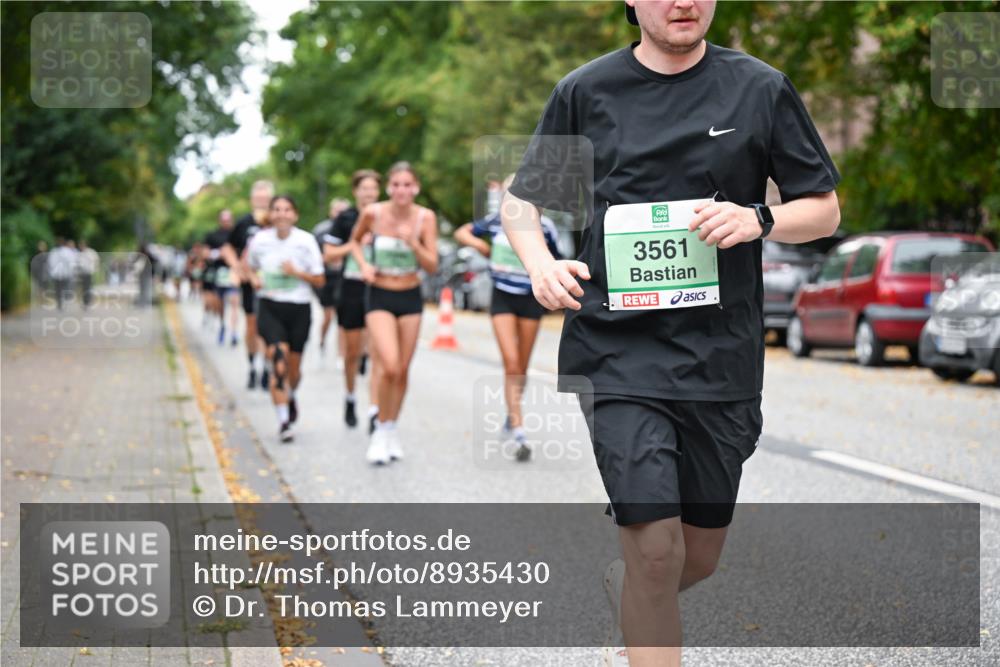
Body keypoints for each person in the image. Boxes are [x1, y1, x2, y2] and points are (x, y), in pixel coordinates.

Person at [501, 2, 841, 665]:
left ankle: (634, 589)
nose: (683, 2)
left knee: (697, 556)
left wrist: (760, 219)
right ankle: (645, 583)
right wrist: (541, 265)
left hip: (722, 358)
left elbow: (823, 208)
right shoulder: (586, 90)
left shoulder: (759, 87)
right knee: (657, 551)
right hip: (617, 351)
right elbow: (522, 202)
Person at [454, 174, 562, 462]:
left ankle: (511, 412)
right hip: (501, 296)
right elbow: (462, 232)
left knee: (522, 367)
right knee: (511, 362)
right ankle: (519, 429)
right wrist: (481, 246)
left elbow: (556, 260)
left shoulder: (546, 227)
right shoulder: (497, 220)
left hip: (530, 300)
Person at [349, 162, 438, 464]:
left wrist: (413, 242)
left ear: (415, 188)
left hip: (410, 296)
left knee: (401, 370)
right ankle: (378, 432)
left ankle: (389, 429)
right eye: (396, 184)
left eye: (407, 184)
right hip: (380, 295)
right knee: (387, 365)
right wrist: (364, 265)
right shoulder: (373, 213)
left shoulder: (425, 218)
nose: (401, 190)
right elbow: (354, 242)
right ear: (389, 188)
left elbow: (432, 265)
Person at [246, 195, 325, 443]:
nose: (281, 214)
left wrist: (297, 273)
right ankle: (283, 421)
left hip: (299, 308)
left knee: (293, 369)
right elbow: (247, 266)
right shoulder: (260, 240)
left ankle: (291, 395)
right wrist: (254, 278)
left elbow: (320, 280)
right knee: (278, 361)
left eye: (287, 210)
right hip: (270, 306)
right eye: (276, 209)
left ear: (295, 215)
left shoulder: (306, 241)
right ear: (270, 214)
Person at [323, 170, 382, 429]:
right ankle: (349, 397)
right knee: (351, 354)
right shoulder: (345, 218)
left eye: (373, 189)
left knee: (379, 352)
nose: (368, 193)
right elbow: (329, 255)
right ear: (355, 192)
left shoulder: (386, 216)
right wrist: (355, 244)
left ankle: (374, 409)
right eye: (364, 188)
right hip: (351, 287)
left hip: (380, 286)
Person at [223, 180, 275, 389]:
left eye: (266, 197)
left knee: (268, 327)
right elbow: (228, 248)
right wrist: (237, 267)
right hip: (250, 283)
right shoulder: (244, 223)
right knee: (253, 326)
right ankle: (253, 365)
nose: (262, 201)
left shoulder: (276, 220)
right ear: (252, 199)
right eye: (258, 197)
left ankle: (266, 367)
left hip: (272, 283)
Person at [312, 197, 351, 356]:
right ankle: (322, 340)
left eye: (343, 211)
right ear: (331, 211)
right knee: (328, 315)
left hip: (345, 278)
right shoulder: (321, 230)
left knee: (342, 319)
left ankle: (341, 354)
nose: (340, 214)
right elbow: (313, 257)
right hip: (327, 278)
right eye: (337, 210)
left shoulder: (352, 227)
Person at [203, 210, 233, 338]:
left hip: (233, 273)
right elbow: (205, 253)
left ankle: (233, 331)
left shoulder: (236, 234)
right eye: (224, 219)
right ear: (220, 220)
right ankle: (221, 323)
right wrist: (218, 254)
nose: (226, 222)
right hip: (217, 273)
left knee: (235, 302)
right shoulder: (212, 235)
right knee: (218, 302)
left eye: (228, 219)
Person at [46, 238, 76, 310]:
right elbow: (51, 263)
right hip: (58, 274)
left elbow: (71, 262)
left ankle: (62, 301)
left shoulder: (66, 252)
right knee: (59, 289)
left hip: (64, 274)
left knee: (62, 289)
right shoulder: (54, 252)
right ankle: (60, 302)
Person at [77, 240, 100, 309]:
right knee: (84, 288)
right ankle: (85, 302)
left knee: (88, 287)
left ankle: (87, 301)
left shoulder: (91, 252)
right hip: (82, 273)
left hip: (89, 272)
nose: (81, 247)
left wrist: (95, 268)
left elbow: (96, 260)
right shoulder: (80, 254)